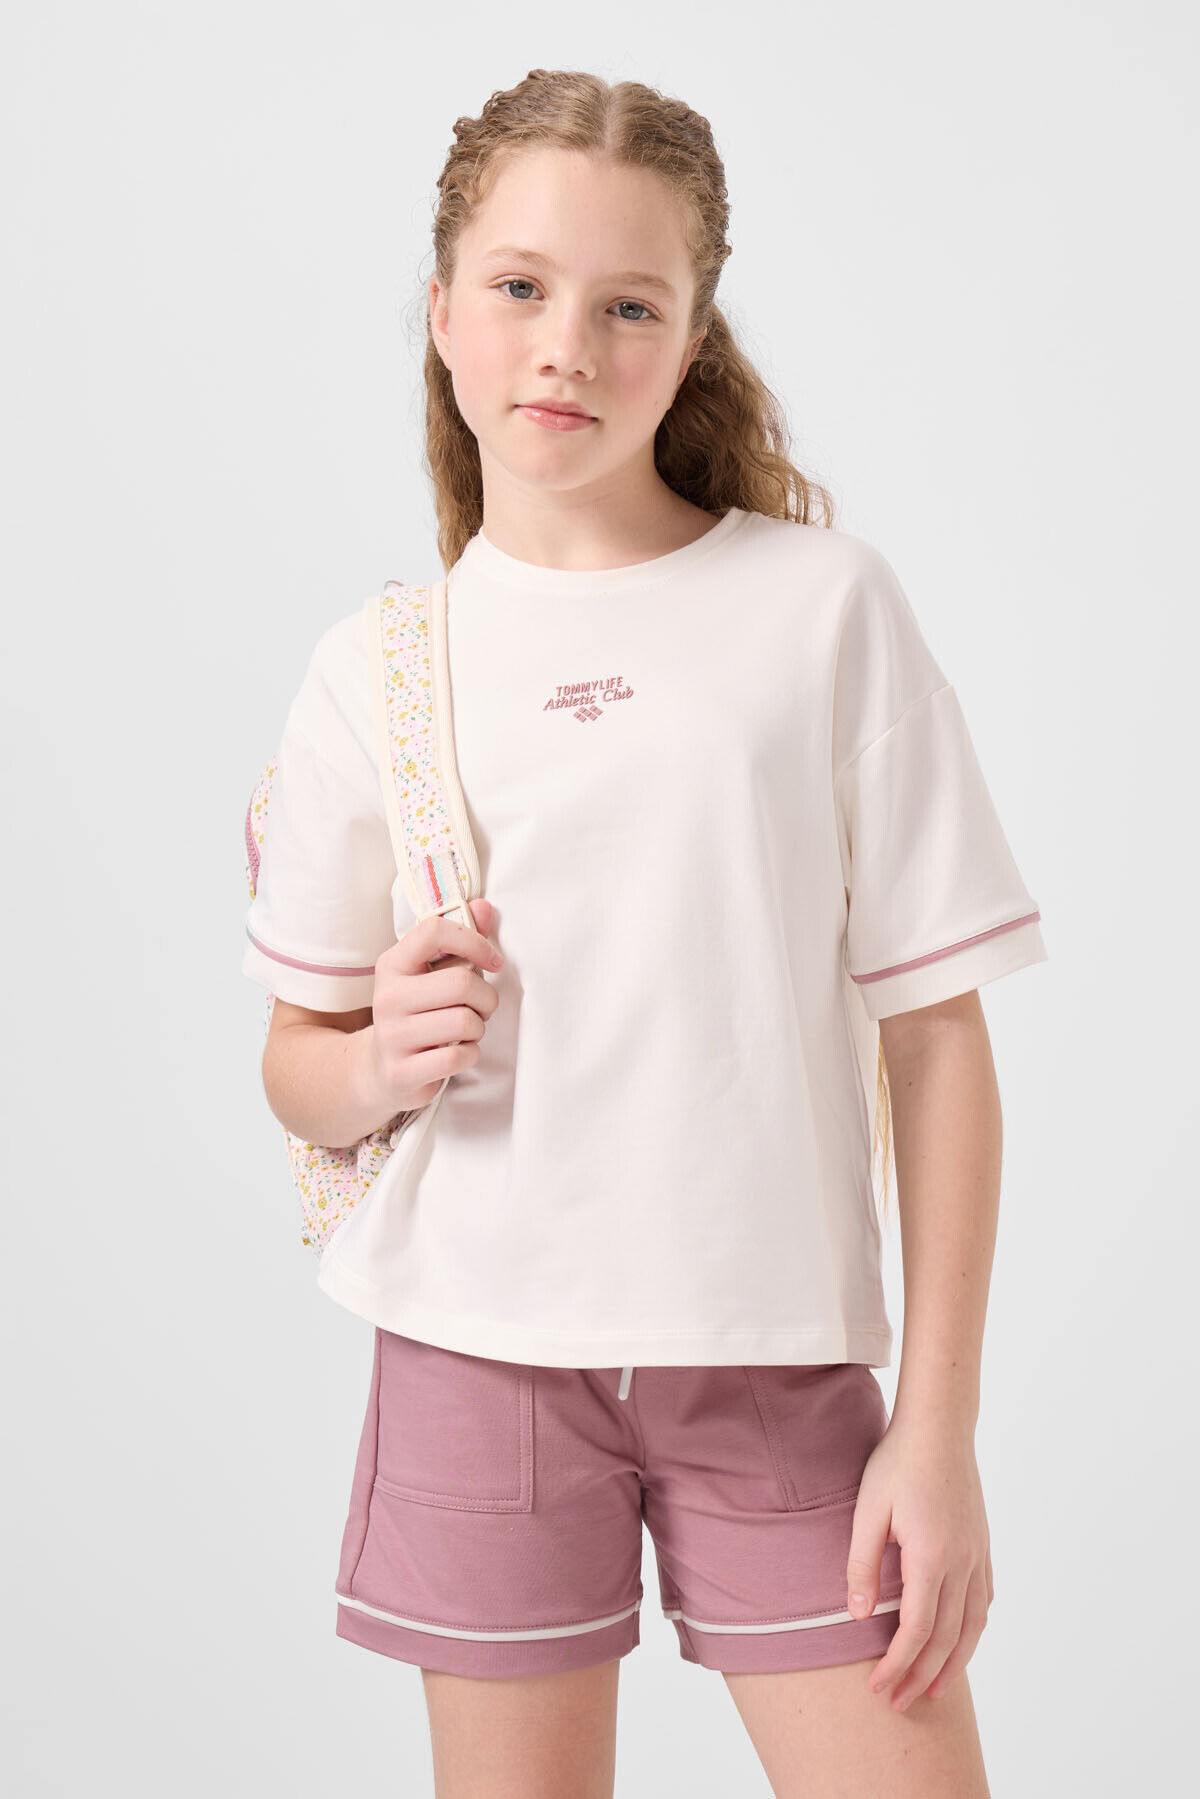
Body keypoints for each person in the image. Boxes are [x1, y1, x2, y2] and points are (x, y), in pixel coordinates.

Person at [242, 66, 1047, 1799]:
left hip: (777, 1365)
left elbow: (937, 1038)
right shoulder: (376, 670)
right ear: (442, 312)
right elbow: (298, 1067)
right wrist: (373, 1060)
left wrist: (939, 1430)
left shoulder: (822, 608)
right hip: (475, 1356)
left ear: (689, 342)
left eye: (629, 306)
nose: (566, 348)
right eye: (520, 288)